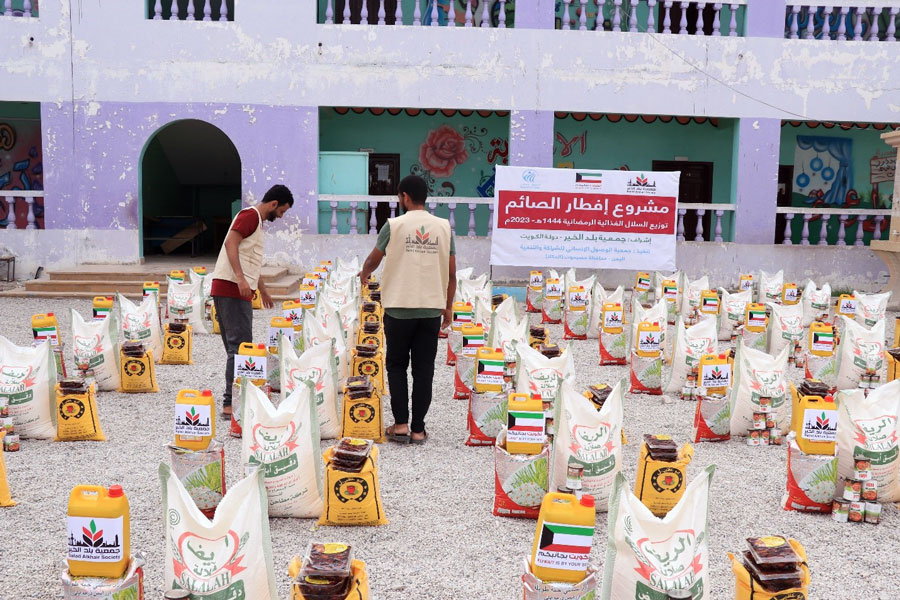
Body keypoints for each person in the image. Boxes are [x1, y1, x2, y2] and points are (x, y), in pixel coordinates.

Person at [359, 175, 456, 444]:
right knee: (424, 371)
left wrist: (364, 273)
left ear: (404, 197)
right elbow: (452, 274)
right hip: (430, 310)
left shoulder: (393, 225)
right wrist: (448, 307)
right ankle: (418, 430)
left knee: (397, 366)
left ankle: (400, 425)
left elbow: (373, 259)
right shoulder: (444, 227)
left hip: (399, 309)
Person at [211, 184, 293, 416]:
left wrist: (263, 290)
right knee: (240, 348)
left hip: (232, 289)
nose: (281, 216)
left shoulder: (256, 222)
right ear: (274, 204)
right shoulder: (250, 216)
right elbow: (230, 243)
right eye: (282, 211)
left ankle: (236, 399)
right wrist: (240, 279)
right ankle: (230, 403)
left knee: (236, 347)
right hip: (231, 289)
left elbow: (250, 262)